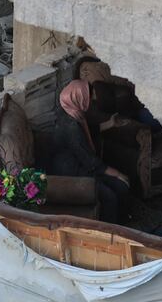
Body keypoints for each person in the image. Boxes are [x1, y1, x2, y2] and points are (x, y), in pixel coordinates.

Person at [50, 79, 130, 224]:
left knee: (122, 187)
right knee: (110, 195)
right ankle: (109, 231)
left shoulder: (69, 110)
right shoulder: (71, 126)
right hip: (72, 173)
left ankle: (124, 224)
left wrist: (110, 123)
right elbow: (90, 161)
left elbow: (86, 134)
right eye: (89, 98)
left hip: (80, 165)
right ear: (78, 97)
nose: (91, 101)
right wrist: (118, 174)